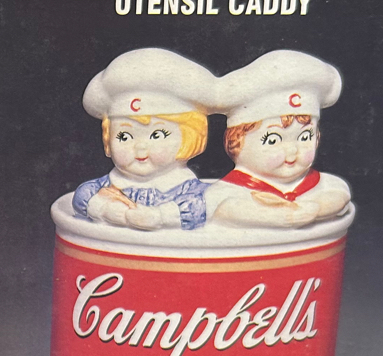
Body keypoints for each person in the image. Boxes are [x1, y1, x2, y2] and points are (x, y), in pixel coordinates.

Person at [73, 49, 220, 230]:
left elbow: (202, 206)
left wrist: (160, 217)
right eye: (124, 136)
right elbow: (83, 195)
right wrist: (103, 208)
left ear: (189, 137)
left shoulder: (190, 191)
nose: (140, 148)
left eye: (157, 135)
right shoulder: (107, 185)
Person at [204, 50, 351, 228]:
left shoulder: (321, 184)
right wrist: (278, 217)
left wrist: (318, 209)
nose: (292, 151)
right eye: (273, 140)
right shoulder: (228, 190)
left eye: (305, 137)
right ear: (236, 143)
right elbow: (222, 209)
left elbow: (340, 193)